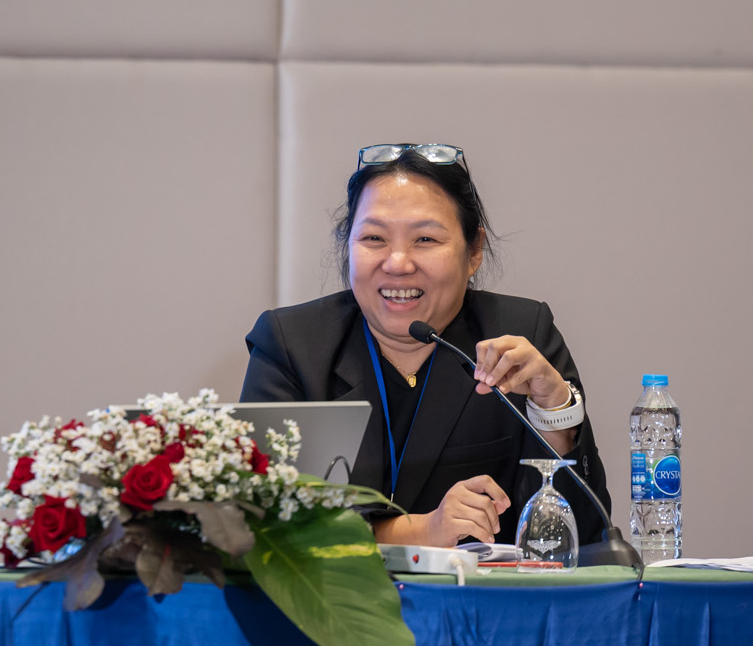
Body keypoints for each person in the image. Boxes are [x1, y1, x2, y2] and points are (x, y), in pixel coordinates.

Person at [240, 144, 607, 548]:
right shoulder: (293, 345)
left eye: (425, 239)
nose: (398, 263)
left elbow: (585, 540)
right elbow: (264, 528)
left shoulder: (519, 335)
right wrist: (421, 531)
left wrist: (554, 412)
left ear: (474, 251)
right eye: (374, 238)